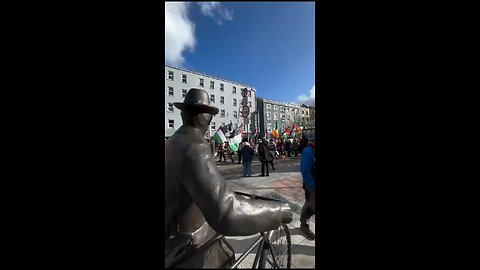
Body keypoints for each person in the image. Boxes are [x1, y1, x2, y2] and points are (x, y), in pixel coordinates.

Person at [165, 89, 293, 268]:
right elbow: (227, 212)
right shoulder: (195, 148)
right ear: (208, 118)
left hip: (172, 245)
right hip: (188, 248)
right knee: (224, 256)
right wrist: (278, 211)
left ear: (182, 114)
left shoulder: (170, 143)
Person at [299, 139, 315, 240]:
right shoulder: (309, 151)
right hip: (312, 185)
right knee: (311, 205)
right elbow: (305, 170)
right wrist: (312, 185)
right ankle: (304, 224)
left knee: (309, 204)